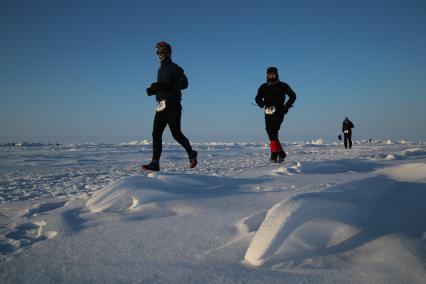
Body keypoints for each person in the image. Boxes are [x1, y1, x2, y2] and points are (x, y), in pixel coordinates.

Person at [142, 42, 197, 171]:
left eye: (161, 51)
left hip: (173, 105)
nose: (159, 54)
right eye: (157, 52)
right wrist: (154, 90)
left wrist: (162, 86)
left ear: (167, 52)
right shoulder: (160, 69)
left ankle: (191, 153)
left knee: (176, 133)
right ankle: (155, 163)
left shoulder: (174, 68)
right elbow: (165, 86)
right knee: (156, 133)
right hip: (161, 106)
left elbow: (184, 83)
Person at [255, 67, 296, 163]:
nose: (271, 76)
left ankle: (274, 155)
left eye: (273, 74)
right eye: (269, 74)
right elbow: (257, 98)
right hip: (268, 112)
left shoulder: (283, 85)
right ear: (267, 75)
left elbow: (293, 96)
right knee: (270, 131)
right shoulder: (263, 86)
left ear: (277, 74)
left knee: (273, 131)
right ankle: (281, 153)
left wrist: (287, 106)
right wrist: (261, 103)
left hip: (280, 111)